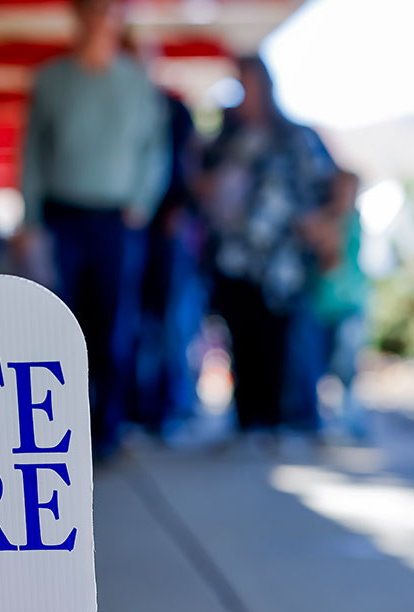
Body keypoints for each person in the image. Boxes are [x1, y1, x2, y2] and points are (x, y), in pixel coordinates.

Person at [20, 0, 169, 459]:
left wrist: (142, 201)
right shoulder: (50, 79)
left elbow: (154, 151)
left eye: (109, 11)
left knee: (112, 323)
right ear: (78, 16)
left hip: (115, 219)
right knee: (60, 323)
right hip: (62, 214)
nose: (100, 20)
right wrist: (29, 216)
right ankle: (60, 428)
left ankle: (107, 429)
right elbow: (31, 152)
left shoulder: (137, 83)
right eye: (92, 10)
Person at [201, 56, 334, 436]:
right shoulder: (227, 140)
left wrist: (322, 230)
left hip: (282, 261)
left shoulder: (295, 137)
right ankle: (247, 422)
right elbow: (202, 186)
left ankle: (278, 421)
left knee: (277, 341)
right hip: (233, 257)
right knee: (240, 338)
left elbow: (326, 185)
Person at [132, 94, 206, 441]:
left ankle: (172, 408)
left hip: (169, 236)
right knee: (137, 322)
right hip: (133, 228)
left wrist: (180, 204)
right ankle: (141, 407)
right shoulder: (130, 104)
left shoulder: (173, 108)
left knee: (172, 324)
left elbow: (191, 164)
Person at [300, 169, 368, 439]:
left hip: (348, 306)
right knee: (317, 363)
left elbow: (331, 258)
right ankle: (318, 418)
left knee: (346, 363)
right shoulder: (328, 218)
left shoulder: (351, 222)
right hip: (322, 306)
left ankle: (350, 416)